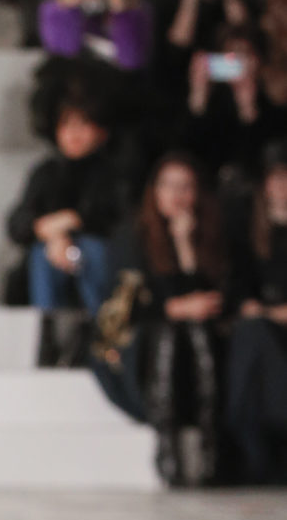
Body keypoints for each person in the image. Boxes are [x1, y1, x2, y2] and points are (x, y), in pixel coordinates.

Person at [114, 151, 229, 487]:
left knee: (195, 330)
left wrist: (185, 248)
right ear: (155, 190)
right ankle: (167, 441)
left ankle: (209, 441)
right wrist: (172, 309)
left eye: (185, 186)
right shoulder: (131, 236)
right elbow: (125, 307)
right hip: (141, 341)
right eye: (169, 186)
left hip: (200, 340)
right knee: (170, 331)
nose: (177, 195)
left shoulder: (210, 233)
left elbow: (216, 297)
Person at [5, 78, 133, 364]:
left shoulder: (113, 174)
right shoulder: (46, 173)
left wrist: (73, 221)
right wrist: (52, 232)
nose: (74, 133)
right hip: (54, 259)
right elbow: (17, 223)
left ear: (101, 131)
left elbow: (119, 223)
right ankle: (49, 333)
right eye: (67, 125)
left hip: (97, 261)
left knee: (89, 250)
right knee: (43, 254)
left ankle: (98, 331)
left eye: (83, 124)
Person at [227, 142, 287, 480]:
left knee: (255, 338)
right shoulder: (249, 228)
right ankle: (256, 450)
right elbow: (239, 286)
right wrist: (252, 307)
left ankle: (254, 455)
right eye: (276, 178)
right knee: (252, 334)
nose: (282, 187)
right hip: (263, 324)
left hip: (273, 324)